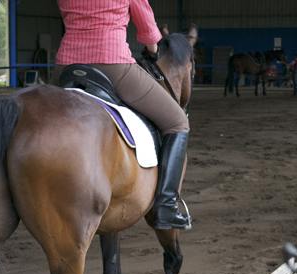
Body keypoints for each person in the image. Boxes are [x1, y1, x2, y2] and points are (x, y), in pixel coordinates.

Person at [49, 0, 191, 230]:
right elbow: (148, 33)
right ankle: (166, 206)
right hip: (112, 64)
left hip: (66, 64)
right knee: (177, 122)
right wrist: (153, 50)